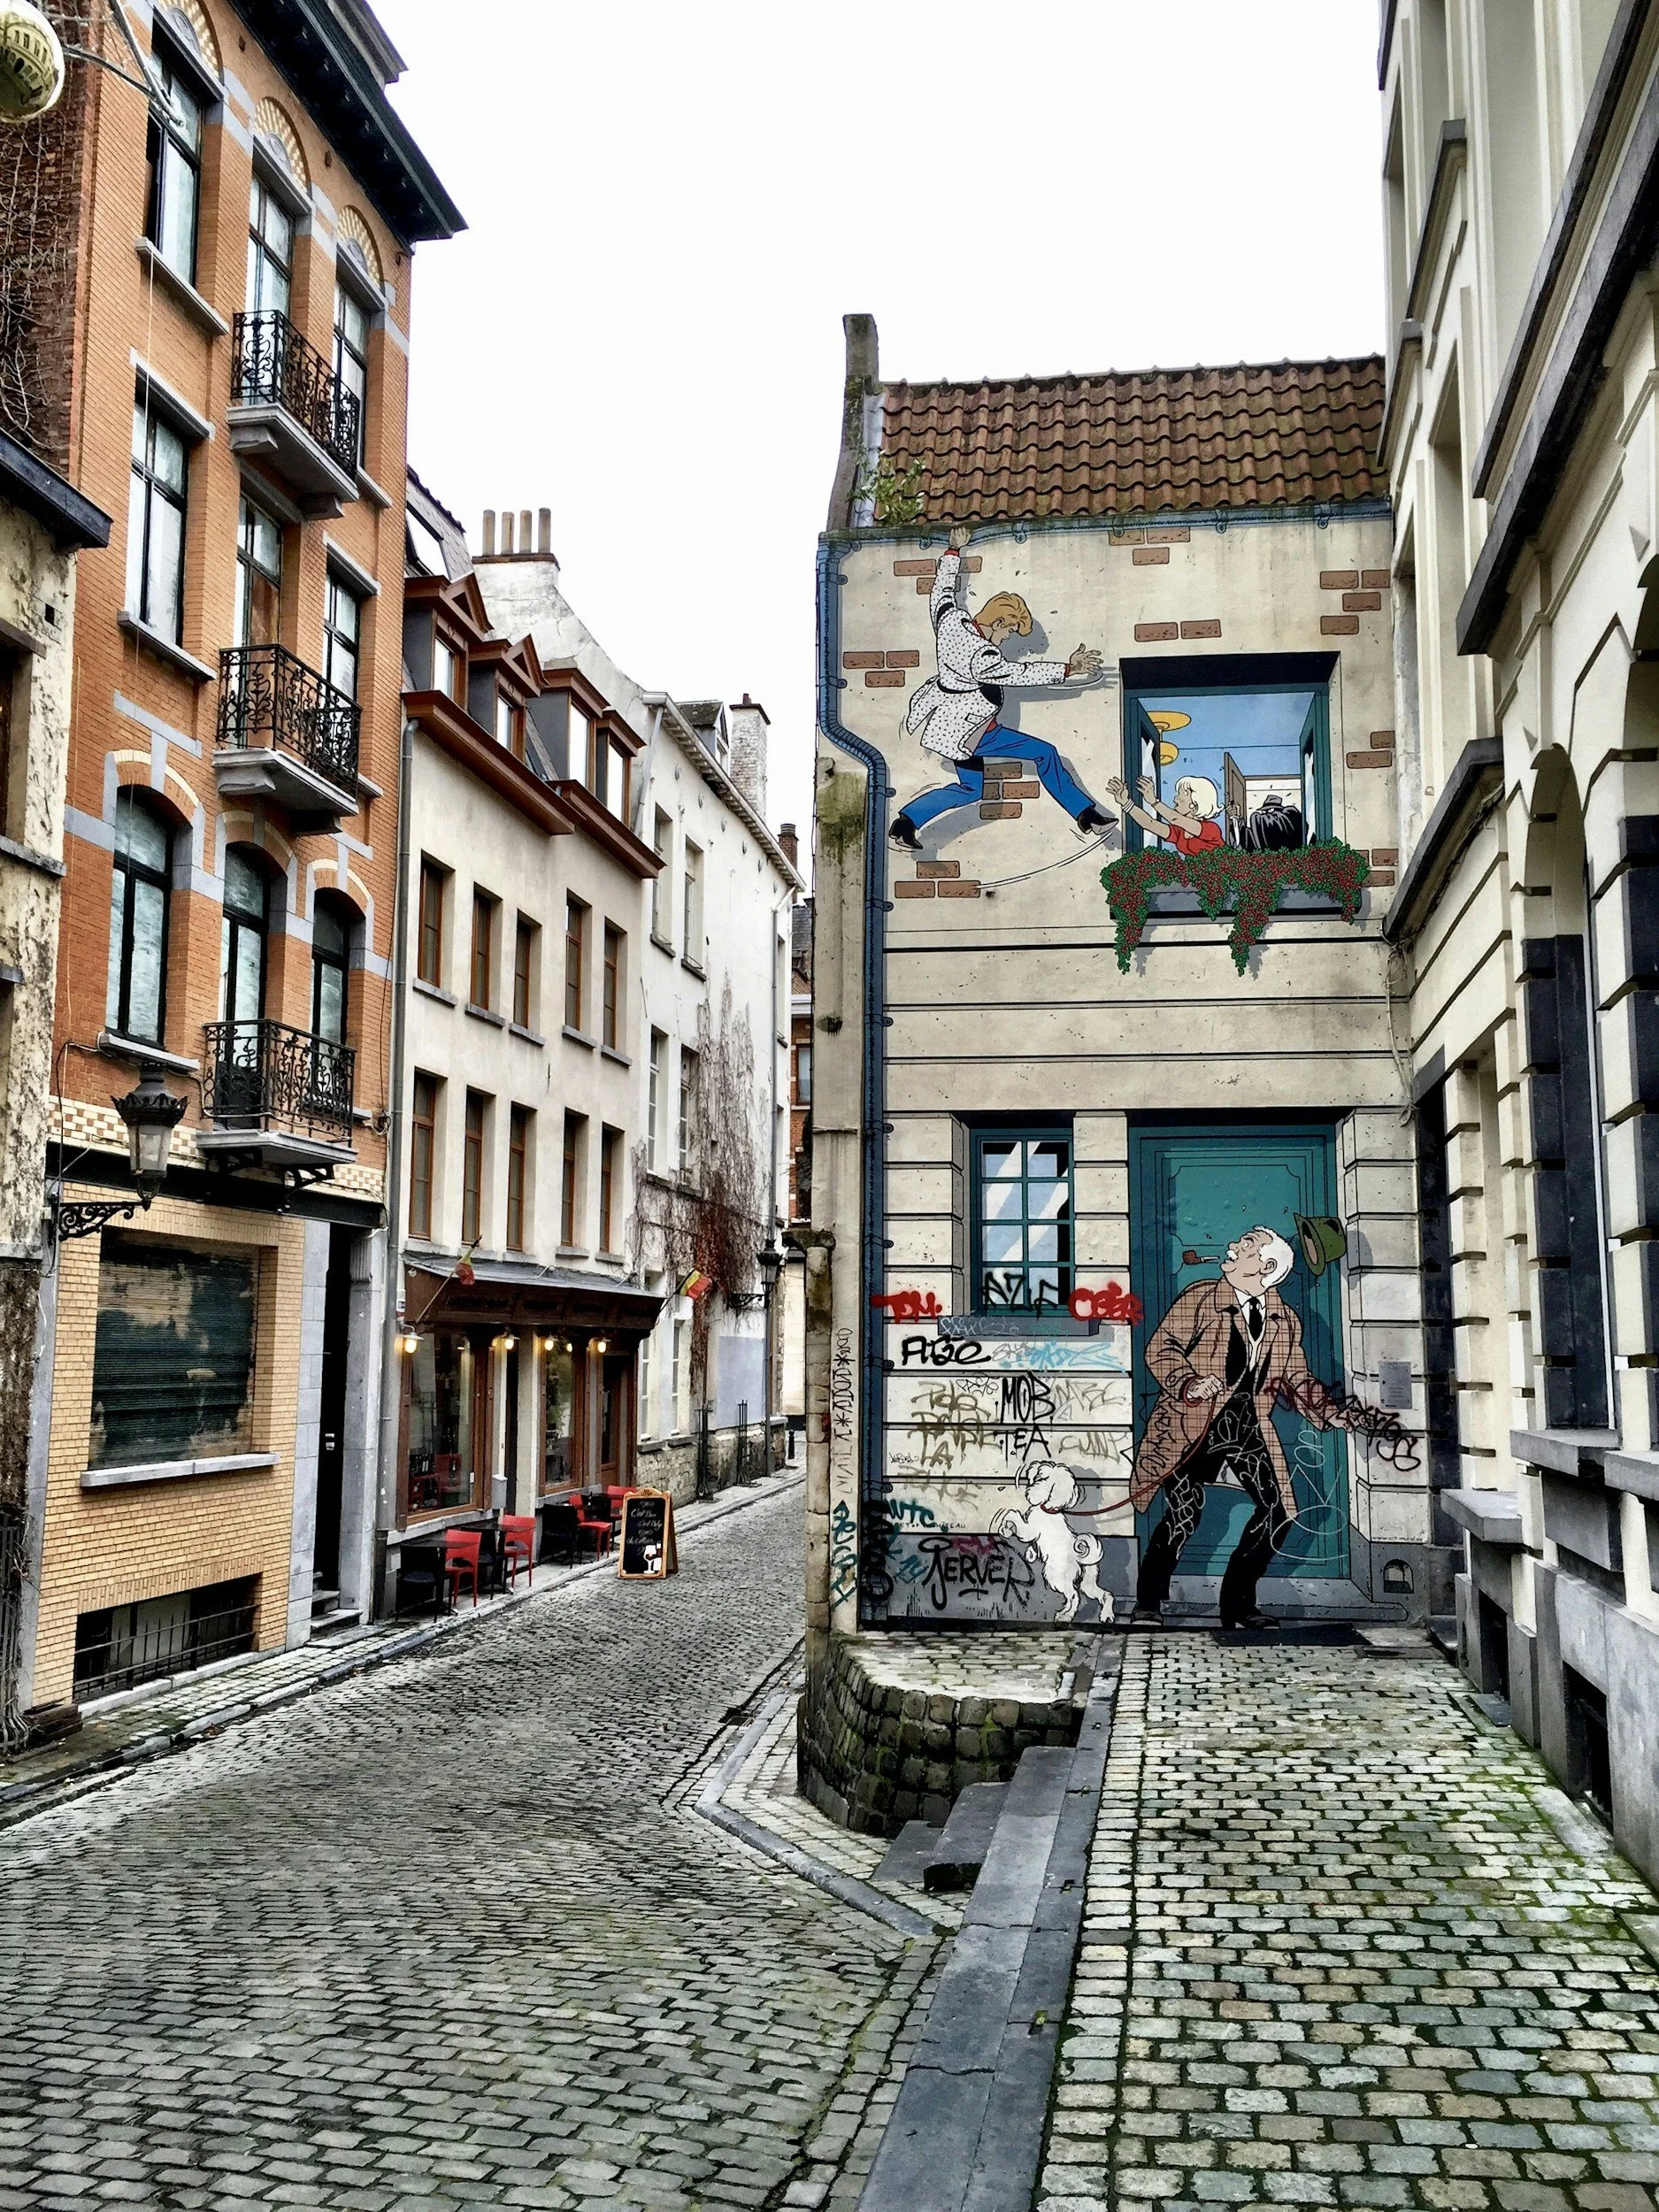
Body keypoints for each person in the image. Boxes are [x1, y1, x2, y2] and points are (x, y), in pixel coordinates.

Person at [1127, 1227, 1346, 1631]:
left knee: (1279, 1511)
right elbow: (1161, 1348)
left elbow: (1294, 1375)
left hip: (1247, 1424)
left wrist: (1329, 1411)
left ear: (1266, 1267)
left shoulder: (1284, 1320)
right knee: (1183, 1514)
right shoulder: (1201, 1297)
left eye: (1245, 1246)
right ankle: (1148, 1604)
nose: (1232, 1247)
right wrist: (1189, 1382)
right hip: (1191, 1424)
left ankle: (1239, 1607)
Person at [891, 526, 1117, 849]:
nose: (1009, 638)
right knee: (1045, 753)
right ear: (997, 623)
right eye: (1010, 631)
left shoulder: (951, 620)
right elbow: (1019, 673)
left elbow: (940, 594)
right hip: (975, 732)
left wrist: (953, 551)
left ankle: (905, 823)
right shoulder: (981, 654)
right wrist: (1069, 668)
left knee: (971, 789)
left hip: (953, 725)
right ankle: (1086, 815)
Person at [1106, 772, 1225, 855]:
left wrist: (1153, 801)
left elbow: (1175, 819)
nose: (1175, 799)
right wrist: (1126, 802)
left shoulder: (1211, 830)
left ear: (1195, 802)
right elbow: (1149, 824)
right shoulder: (1179, 832)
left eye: (1182, 794)